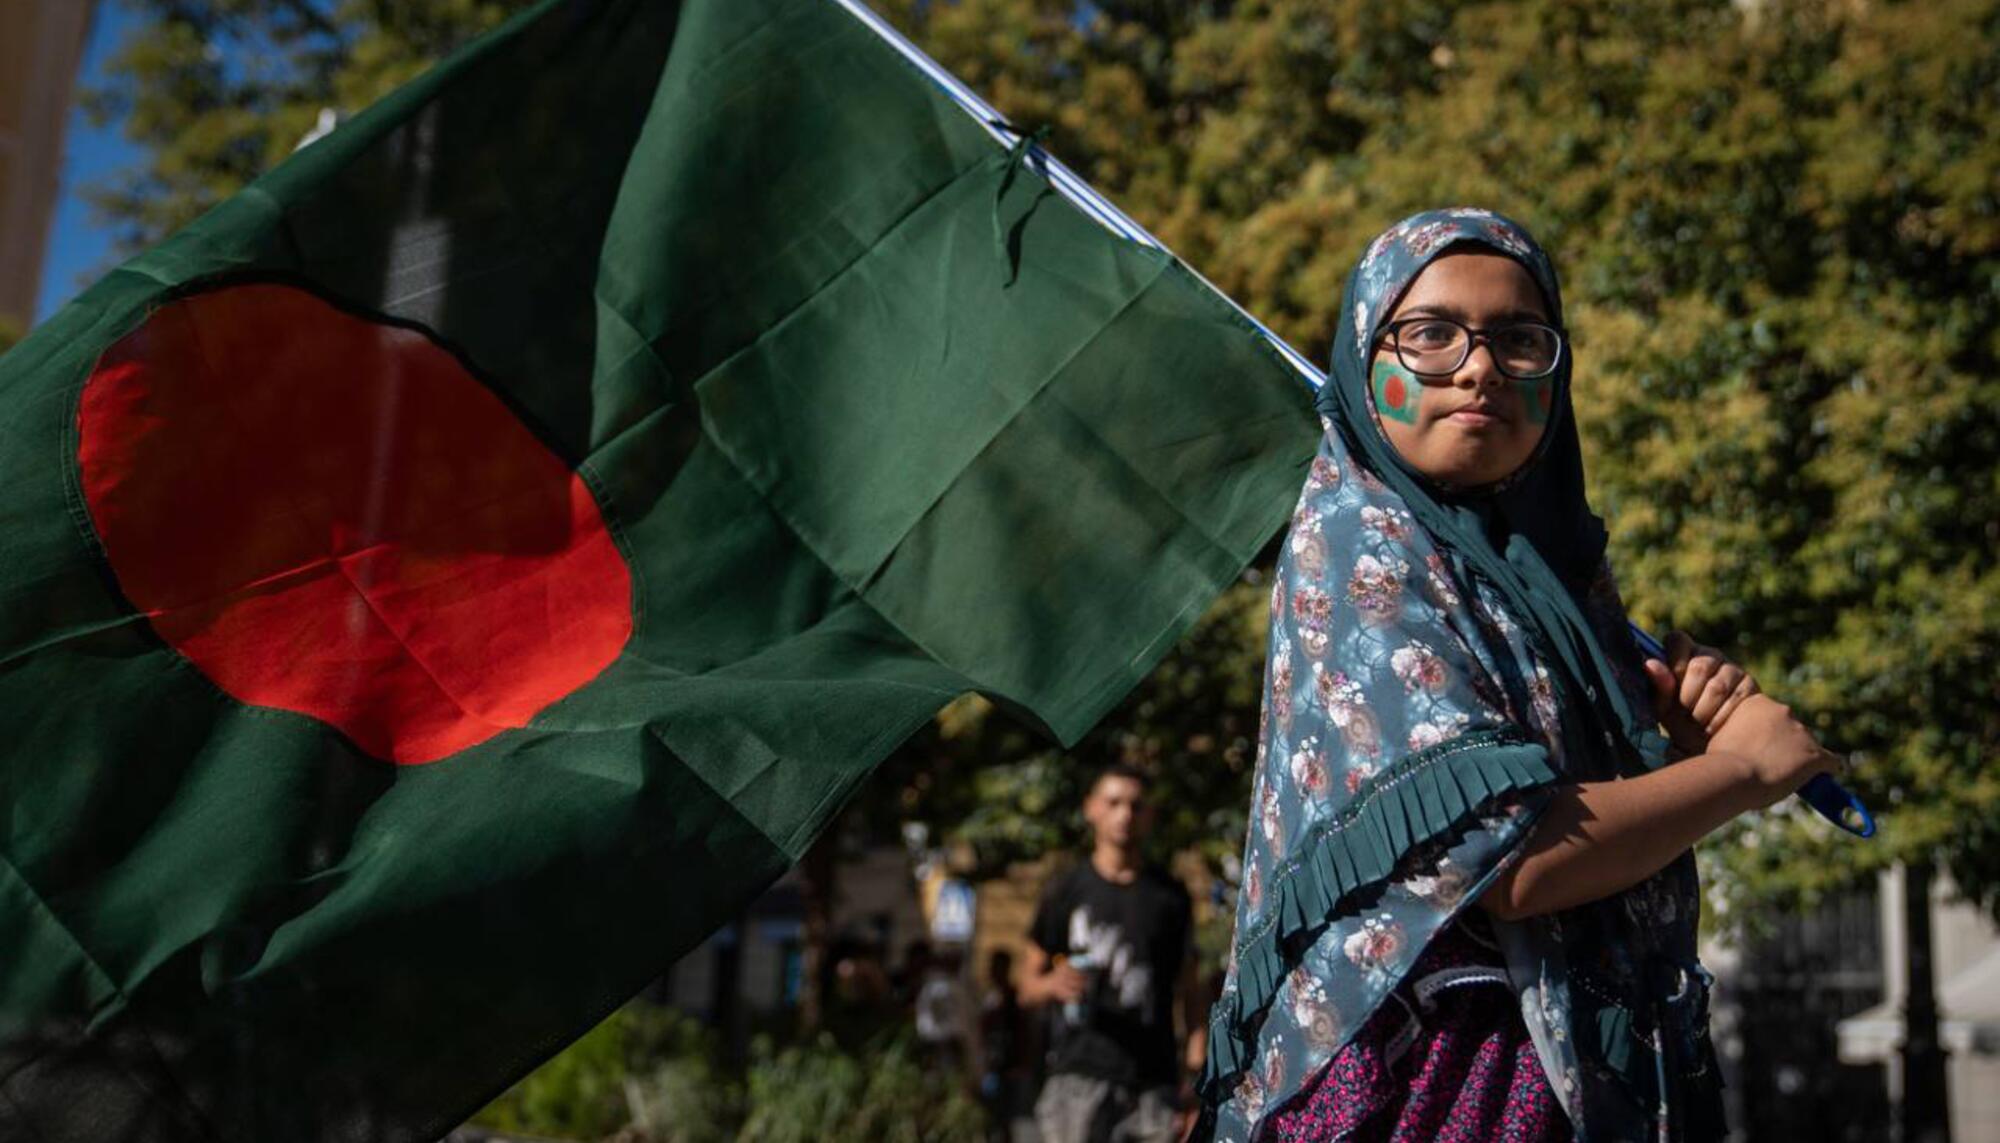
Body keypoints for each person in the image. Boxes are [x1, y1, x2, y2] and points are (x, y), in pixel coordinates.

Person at [1191, 208, 1839, 1143]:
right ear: (1366, 360)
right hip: (1442, 1091)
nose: (1480, 366)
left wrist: (1677, 741)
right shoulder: (1364, 540)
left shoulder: (1550, 576)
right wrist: (1742, 773)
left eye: (1519, 339)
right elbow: (1523, 859)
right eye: (1429, 334)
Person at [1023, 763, 1207, 1143]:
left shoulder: (1169, 896)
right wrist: (1052, 984)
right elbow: (1026, 986)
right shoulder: (1065, 891)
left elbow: (1191, 988)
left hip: (1153, 1082)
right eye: (1114, 802)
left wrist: (1196, 1069)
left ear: (1150, 816)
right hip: (1077, 1076)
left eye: (1136, 805)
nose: (1125, 814)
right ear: (1091, 808)